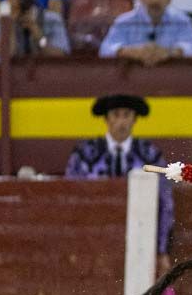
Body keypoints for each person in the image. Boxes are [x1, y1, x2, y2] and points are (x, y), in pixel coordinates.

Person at [65, 93, 174, 273]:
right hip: (93, 242)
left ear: (134, 120)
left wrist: (161, 250)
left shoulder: (151, 155)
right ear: (107, 119)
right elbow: (72, 200)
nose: (122, 122)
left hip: (140, 242)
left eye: (127, 115)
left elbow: (165, 203)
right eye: (116, 115)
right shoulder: (84, 155)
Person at [101, 0, 192, 63]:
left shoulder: (182, 21)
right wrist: (132, 52)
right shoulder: (124, 21)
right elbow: (105, 49)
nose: (155, 0)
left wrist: (169, 52)